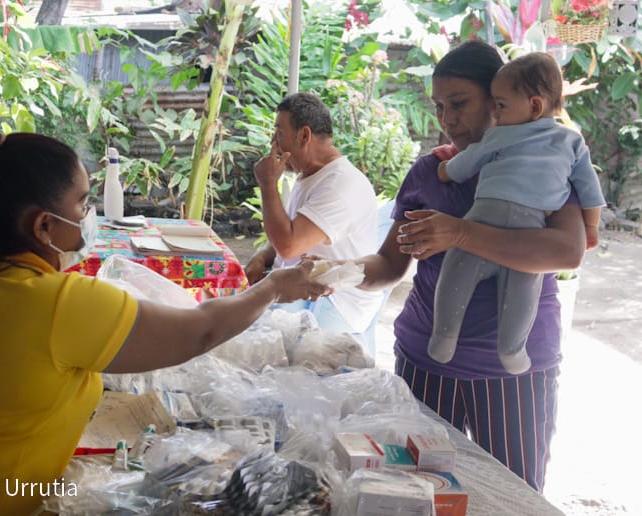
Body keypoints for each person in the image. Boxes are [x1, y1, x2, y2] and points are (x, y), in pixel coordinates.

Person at [0, 132, 328, 515]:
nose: (89, 219)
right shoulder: (59, 304)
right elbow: (201, 329)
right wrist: (273, 288)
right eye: (83, 204)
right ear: (44, 226)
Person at [354, 40, 586, 492]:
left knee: (511, 493)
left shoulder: (546, 163)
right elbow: (387, 264)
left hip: (514, 369)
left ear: (501, 100)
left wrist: (459, 233)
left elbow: (566, 251)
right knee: (416, 491)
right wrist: (334, 273)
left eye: (459, 103)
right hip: (425, 360)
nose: (447, 119)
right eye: (439, 106)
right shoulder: (429, 172)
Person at [429, 52, 605, 374]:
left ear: (534, 106)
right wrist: (592, 226)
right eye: (439, 107)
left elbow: (465, 164)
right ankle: (509, 348)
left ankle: (447, 336)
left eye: (500, 104)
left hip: (489, 218)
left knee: (460, 267)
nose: (497, 112)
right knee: (522, 286)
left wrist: (445, 173)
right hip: (530, 224)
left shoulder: (501, 135)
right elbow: (591, 188)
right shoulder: (570, 142)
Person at [244, 92, 385, 356]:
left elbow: (288, 246)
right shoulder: (311, 174)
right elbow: (289, 232)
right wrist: (262, 258)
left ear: (304, 136)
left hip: (334, 303)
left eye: (279, 134)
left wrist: (267, 184)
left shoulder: (340, 185)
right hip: (301, 288)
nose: (274, 143)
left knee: (241, 340)